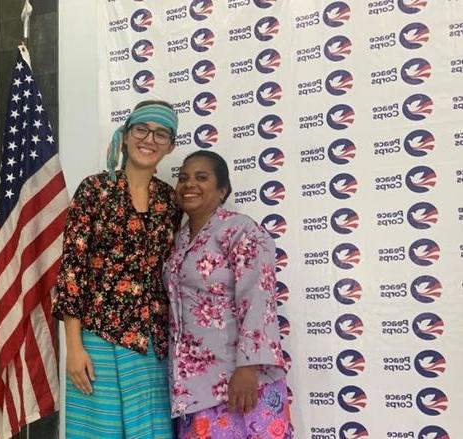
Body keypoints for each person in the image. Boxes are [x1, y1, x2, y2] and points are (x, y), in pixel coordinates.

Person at [52, 100, 182, 438]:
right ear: (125, 136)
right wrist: (74, 346)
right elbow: (72, 270)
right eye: (142, 129)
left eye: (161, 133)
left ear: (170, 146)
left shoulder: (170, 201)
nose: (149, 139)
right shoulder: (94, 190)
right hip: (98, 339)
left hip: (152, 345)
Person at [164, 151, 292, 439]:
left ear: (223, 190)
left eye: (201, 177)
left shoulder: (240, 229)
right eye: (183, 178)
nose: (189, 184)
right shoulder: (178, 240)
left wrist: (248, 366)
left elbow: (259, 297)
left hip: (240, 383)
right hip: (192, 389)